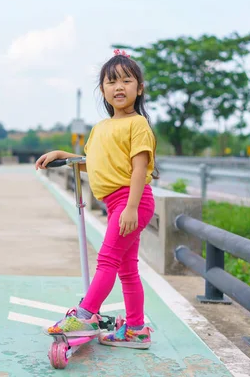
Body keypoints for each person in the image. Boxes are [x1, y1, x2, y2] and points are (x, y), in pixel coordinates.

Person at [35, 49, 159, 349]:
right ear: (102, 89)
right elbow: (95, 161)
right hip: (117, 203)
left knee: (107, 260)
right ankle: (136, 329)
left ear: (139, 88)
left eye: (127, 81)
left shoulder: (137, 124)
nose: (119, 87)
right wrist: (65, 155)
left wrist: (130, 207)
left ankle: (86, 314)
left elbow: (140, 167)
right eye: (111, 81)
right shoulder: (101, 128)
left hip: (132, 201)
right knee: (126, 268)